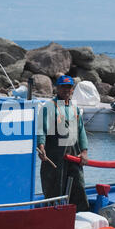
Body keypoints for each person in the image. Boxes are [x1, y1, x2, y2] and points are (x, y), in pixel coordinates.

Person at [37, 75, 90, 212]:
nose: (66, 90)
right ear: (57, 88)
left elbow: (81, 131)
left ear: (72, 90)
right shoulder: (48, 107)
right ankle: (52, 217)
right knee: (54, 189)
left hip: (73, 157)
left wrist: (84, 151)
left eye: (69, 87)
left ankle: (80, 215)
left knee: (78, 187)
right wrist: (41, 146)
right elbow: (41, 129)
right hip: (54, 159)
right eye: (63, 87)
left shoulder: (74, 109)